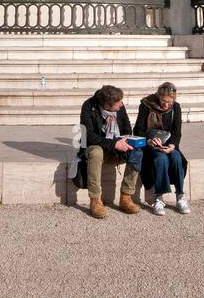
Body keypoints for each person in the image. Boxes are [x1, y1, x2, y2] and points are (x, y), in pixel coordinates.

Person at [76, 84, 142, 219]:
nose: (122, 105)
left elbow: (127, 129)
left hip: (116, 145)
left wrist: (125, 140)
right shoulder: (89, 106)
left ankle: (126, 197)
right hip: (97, 146)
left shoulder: (120, 107)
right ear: (106, 105)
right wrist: (113, 144)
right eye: (118, 103)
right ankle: (95, 200)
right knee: (96, 152)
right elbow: (87, 136)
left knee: (136, 151)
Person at [134, 82, 189, 214]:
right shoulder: (147, 105)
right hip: (150, 144)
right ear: (158, 96)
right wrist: (149, 141)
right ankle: (158, 198)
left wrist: (172, 145)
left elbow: (176, 132)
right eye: (164, 101)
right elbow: (138, 130)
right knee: (161, 159)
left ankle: (180, 196)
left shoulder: (176, 108)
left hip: (168, 143)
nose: (166, 105)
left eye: (169, 102)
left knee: (176, 157)